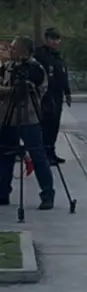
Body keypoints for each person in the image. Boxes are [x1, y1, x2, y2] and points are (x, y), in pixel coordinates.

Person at [0, 37, 55, 209]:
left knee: (38, 155)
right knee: (5, 156)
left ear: (24, 51)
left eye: (14, 48)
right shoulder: (8, 68)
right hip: (8, 117)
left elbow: (37, 89)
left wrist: (21, 88)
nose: (11, 50)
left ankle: (47, 194)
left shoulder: (36, 68)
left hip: (29, 118)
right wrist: (9, 90)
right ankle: (2, 193)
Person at [34, 28, 72, 164]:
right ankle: (44, 154)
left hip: (57, 95)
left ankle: (51, 152)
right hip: (45, 95)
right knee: (46, 124)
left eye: (57, 39)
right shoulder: (40, 55)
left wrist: (67, 92)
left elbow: (63, 75)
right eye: (53, 39)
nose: (56, 42)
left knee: (54, 125)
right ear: (46, 39)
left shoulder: (57, 57)